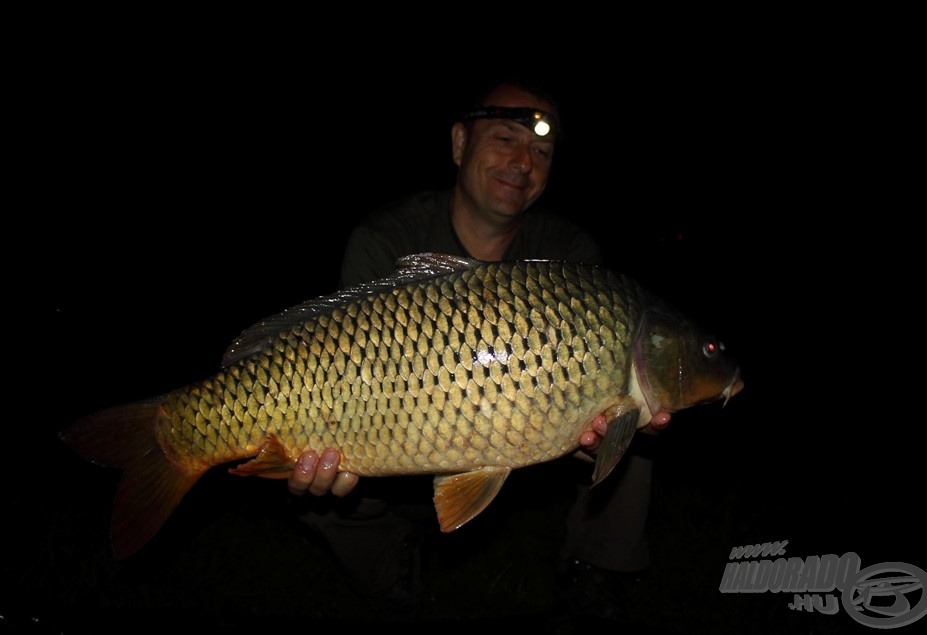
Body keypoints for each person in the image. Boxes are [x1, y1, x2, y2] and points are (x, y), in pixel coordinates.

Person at [284, 77, 670, 622]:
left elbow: (591, 423)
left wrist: (592, 444)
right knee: (326, 483)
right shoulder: (385, 237)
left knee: (640, 420)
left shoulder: (568, 258)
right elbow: (345, 366)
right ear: (460, 143)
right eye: (505, 139)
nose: (523, 162)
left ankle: (593, 571)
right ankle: (387, 578)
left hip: (524, 454)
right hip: (389, 444)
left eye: (541, 151)